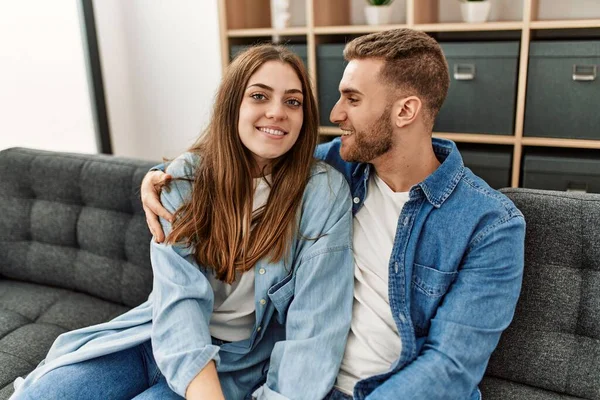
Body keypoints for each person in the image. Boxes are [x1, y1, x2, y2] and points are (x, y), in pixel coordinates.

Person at [143, 28, 526, 400]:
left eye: (353, 99)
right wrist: (162, 179)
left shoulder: (489, 224)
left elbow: (451, 367)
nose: (335, 112)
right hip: (299, 381)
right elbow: (248, 155)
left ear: (405, 110)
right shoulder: (336, 168)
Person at [10, 45, 354, 400]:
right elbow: (179, 299)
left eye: (293, 102)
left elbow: (315, 326)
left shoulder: (323, 193)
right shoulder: (185, 178)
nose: (277, 112)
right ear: (232, 105)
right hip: (153, 338)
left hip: (235, 364)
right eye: (259, 96)